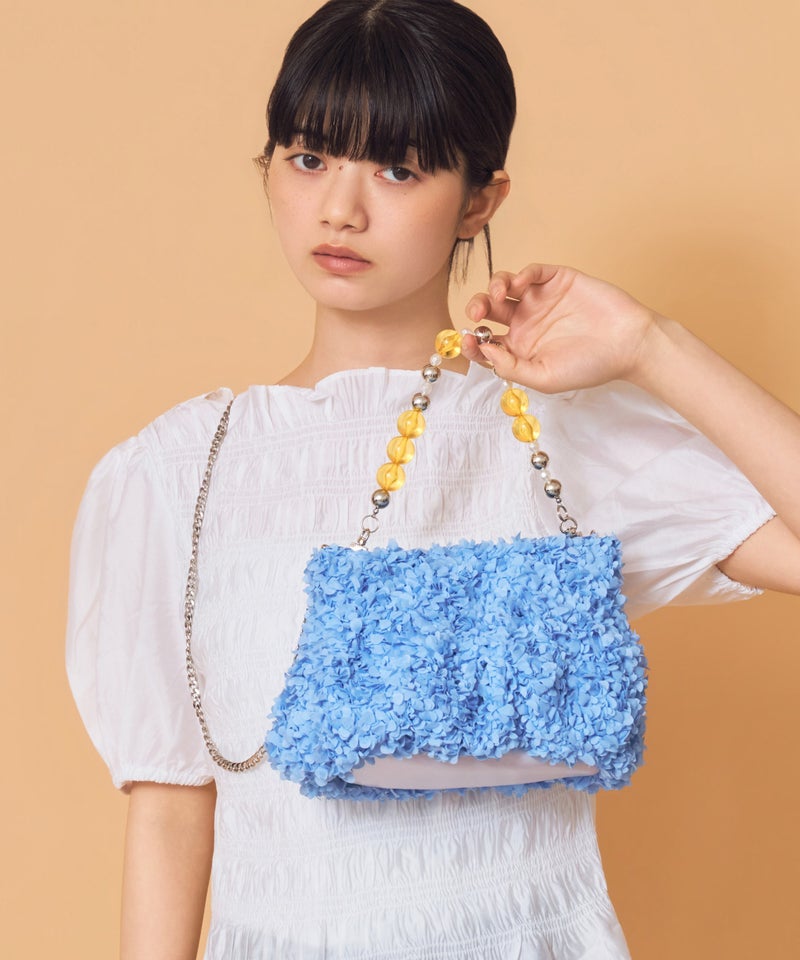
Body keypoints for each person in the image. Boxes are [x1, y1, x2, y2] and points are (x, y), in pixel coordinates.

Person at [65, 0, 800, 957]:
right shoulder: (176, 472)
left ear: (480, 200)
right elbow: (169, 807)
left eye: (399, 169)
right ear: (269, 166)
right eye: (309, 157)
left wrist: (652, 346)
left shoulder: (553, 431)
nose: (341, 208)